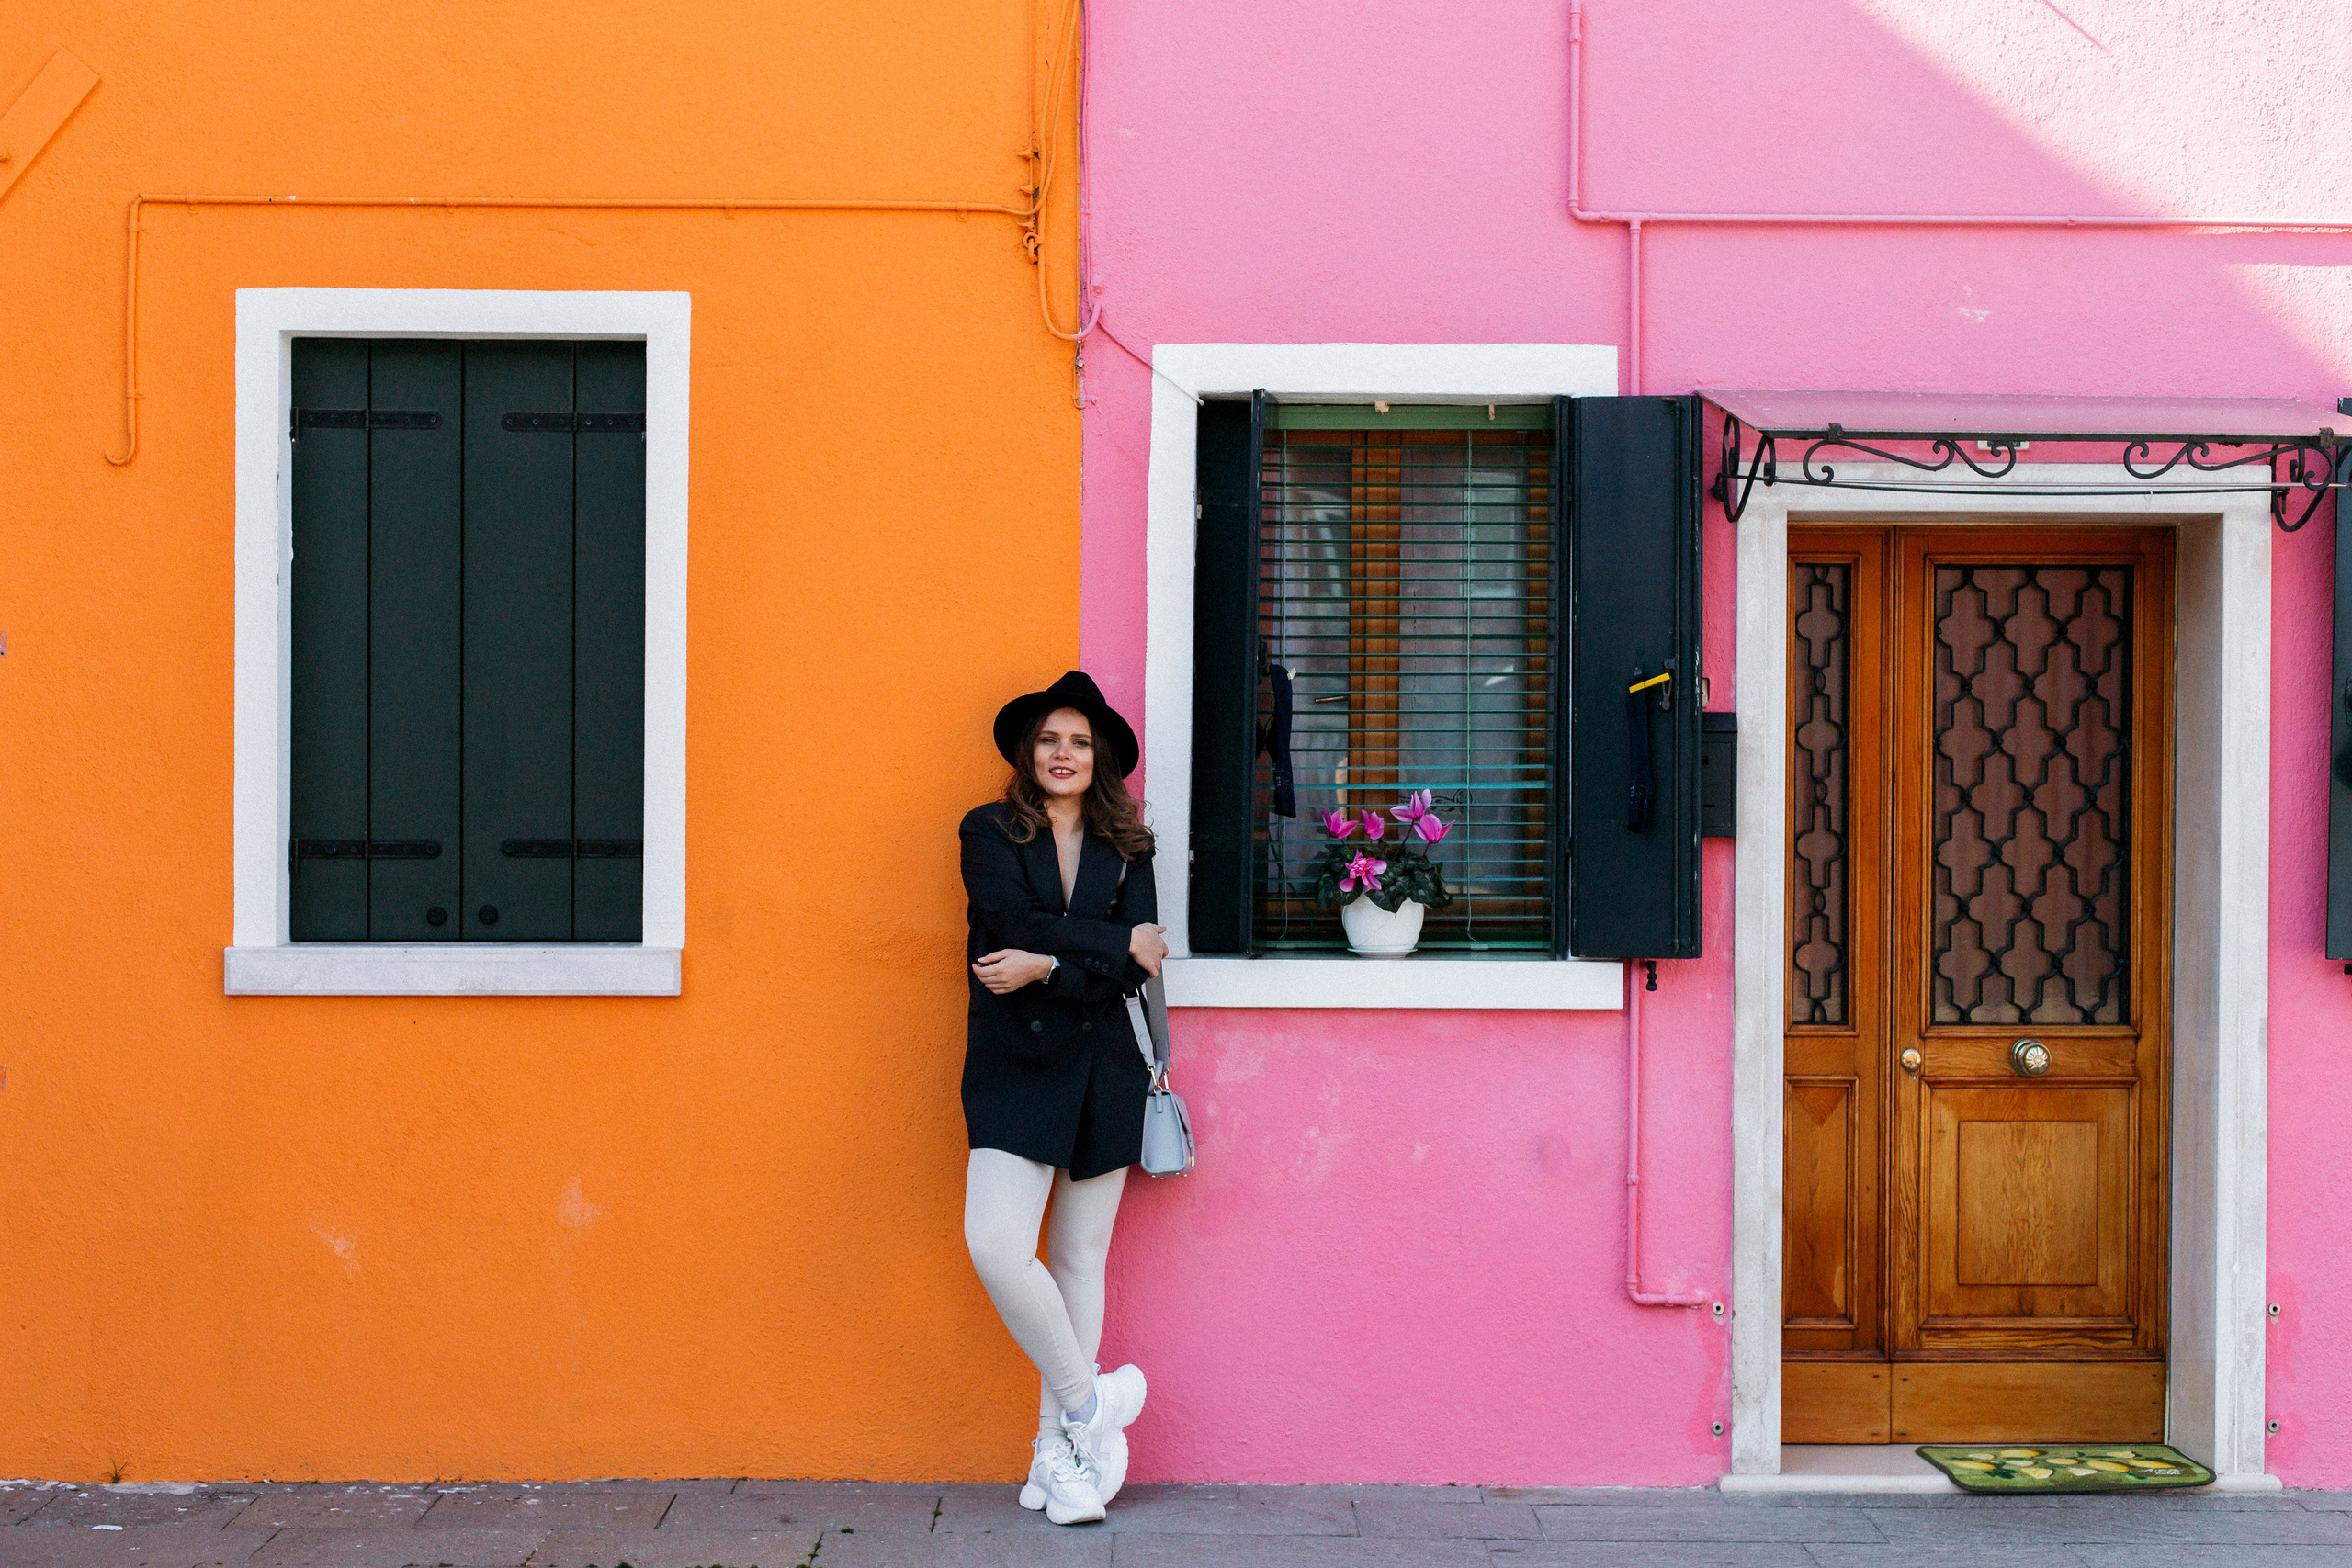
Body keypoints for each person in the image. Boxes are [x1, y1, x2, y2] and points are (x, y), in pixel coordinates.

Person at [959, 671, 1168, 1526]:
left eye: (1080, 741)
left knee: (1082, 1259)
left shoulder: (1133, 847)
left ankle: (1062, 1460)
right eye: (1050, 738)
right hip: (1014, 1064)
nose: (1064, 752)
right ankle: (1090, 1405)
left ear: (1102, 757)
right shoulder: (988, 830)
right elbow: (1010, 923)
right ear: (1027, 751)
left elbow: (1138, 962)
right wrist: (1107, 946)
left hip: (1105, 1063)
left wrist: (1050, 965)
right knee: (997, 1244)